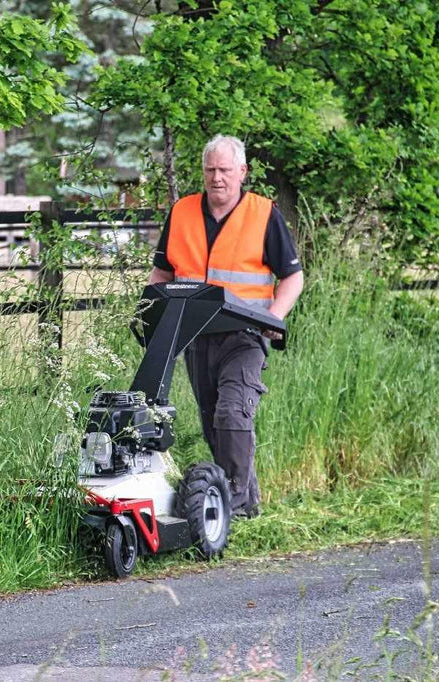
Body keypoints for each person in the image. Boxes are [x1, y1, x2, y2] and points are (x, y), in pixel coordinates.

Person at [147, 134, 304, 518]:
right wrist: (152, 314)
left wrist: (275, 316)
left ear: (242, 172)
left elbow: (293, 278)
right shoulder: (182, 212)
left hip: (245, 335)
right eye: (210, 170)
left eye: (224, 170)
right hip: (196, 335)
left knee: (233, 414)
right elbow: (161, 274)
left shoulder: (263, 214)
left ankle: (230, 506)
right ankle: (247, 505)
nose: (217, 178)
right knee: (213, 424)